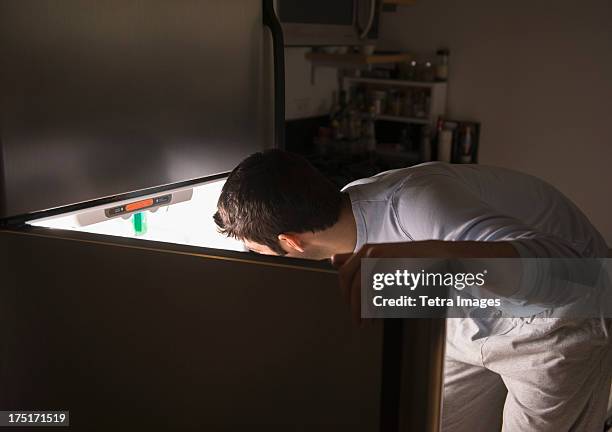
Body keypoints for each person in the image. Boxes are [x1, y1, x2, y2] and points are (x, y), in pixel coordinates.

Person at [214, 149, 611, 431]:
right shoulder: (344, 220)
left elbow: (571, 273)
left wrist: (440, 254)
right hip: (468, 319)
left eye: (259, 250)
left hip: (560, 319)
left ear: (292, 241)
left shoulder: (417, 206)